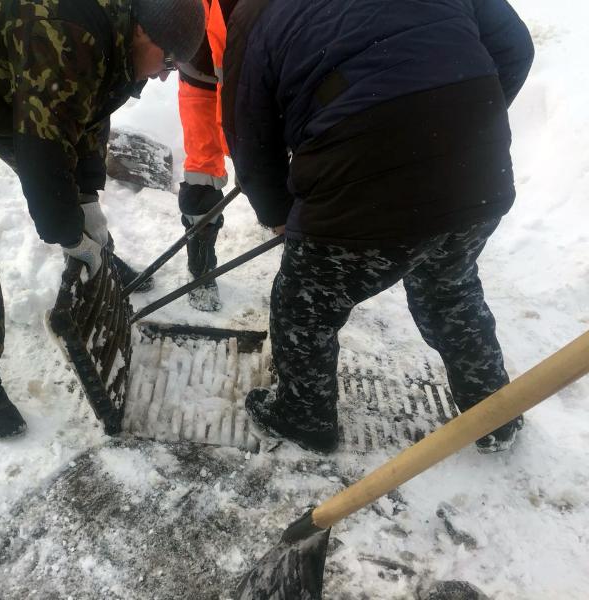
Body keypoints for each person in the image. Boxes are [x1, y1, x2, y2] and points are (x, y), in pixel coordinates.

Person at [221, 0, 535, 453]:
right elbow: (515, 47)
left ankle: (302, 415)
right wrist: (458, 128)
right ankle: (494, 413)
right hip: (476, 169)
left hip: (364, 163)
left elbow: (248, 134)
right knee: (449, 288)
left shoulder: (253, 13)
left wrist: (278, 213)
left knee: (304, 304)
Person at [0, 0, 206, 439]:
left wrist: (88, 201)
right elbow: (45, 150)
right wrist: (69, 233)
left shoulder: (117, 33)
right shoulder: (69, 30)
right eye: (168, 61)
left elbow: (87, 112)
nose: (166, 74)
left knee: (66, 184)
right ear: (145, 33)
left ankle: (99, 265)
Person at [176, 0, 238, 311]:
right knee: (202, 176)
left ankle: (304, 266)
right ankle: (200, 268)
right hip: (199, 80)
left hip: (256, 78)